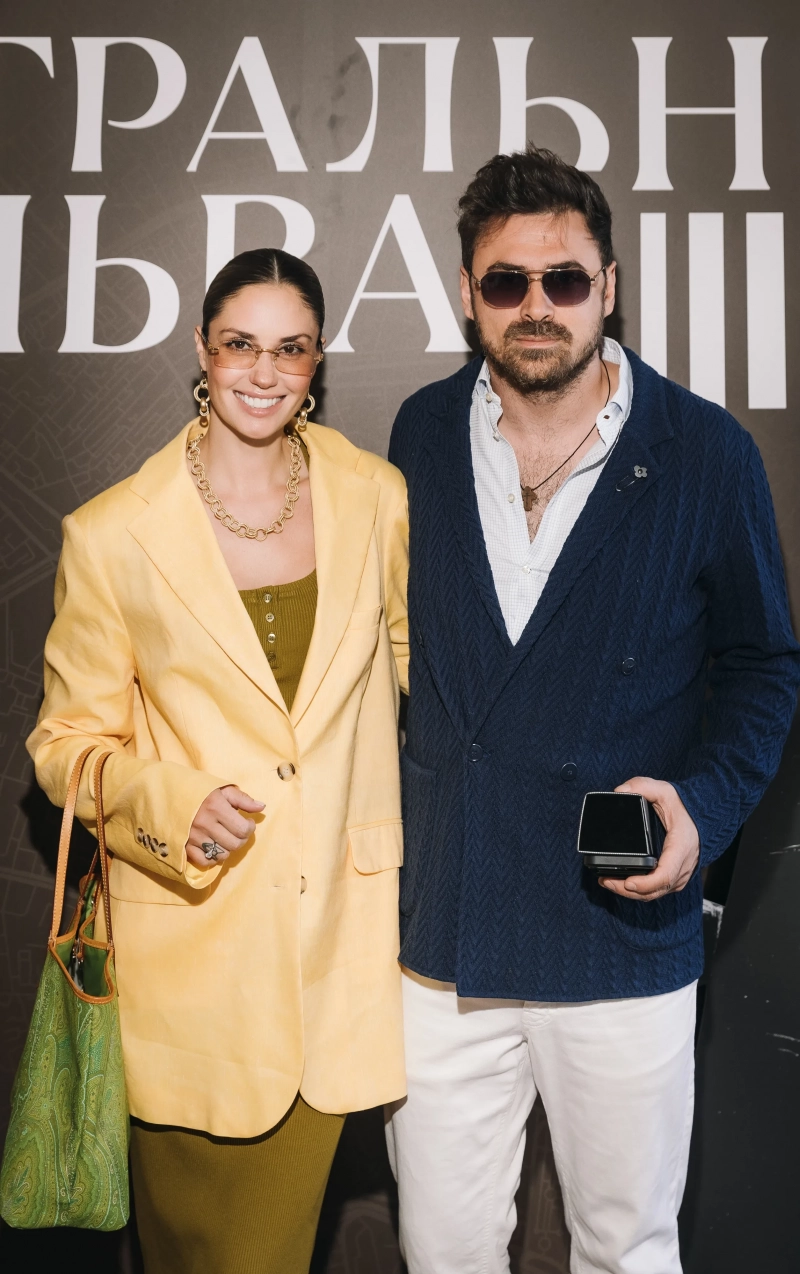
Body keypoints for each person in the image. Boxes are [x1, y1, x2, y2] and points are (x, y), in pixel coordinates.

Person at [385, 146, 800, 1274]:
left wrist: (701, 808)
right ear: (467, 293)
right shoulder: (419, 435)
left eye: (564, 279)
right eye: (505, 281)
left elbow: (764, 665)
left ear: (608, 286)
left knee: (626, 1249)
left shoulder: (705, 451)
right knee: (442, 1253)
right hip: (446, 938)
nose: (537, 306)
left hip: (620, 933)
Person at [28, 248, 409, 1273]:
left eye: (291, 348)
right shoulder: (113, 533)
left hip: (334, 958)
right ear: (203, 350)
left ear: (318, 361)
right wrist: (170, 802)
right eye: (242, 343)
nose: (264, 371)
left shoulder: (376, 498)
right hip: (189, 975)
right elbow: (64, 747)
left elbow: (432, 680)